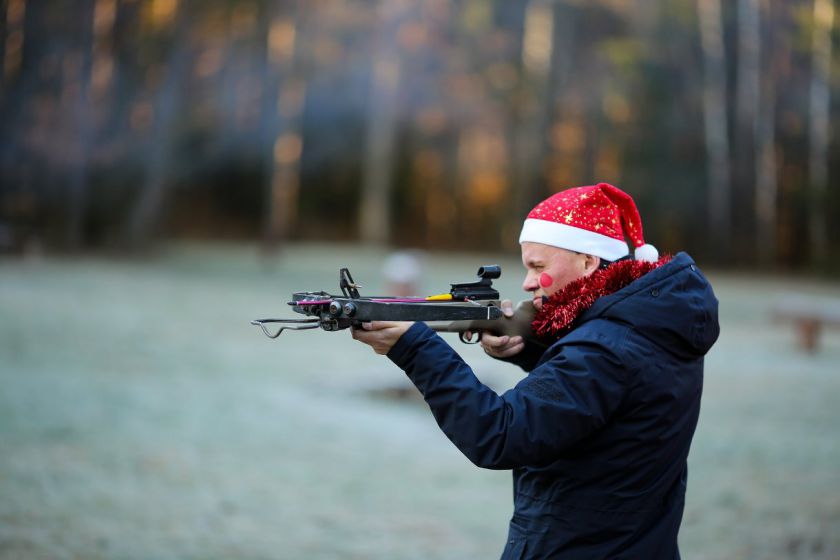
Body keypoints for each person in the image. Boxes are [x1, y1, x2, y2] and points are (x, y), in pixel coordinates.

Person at [351, 183, 720, 559]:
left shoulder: (603, 352)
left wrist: (415, 349)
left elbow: (498, 434)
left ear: (588, 262)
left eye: (538, 267)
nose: (528, 282)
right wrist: (531, 348)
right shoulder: (651, 326)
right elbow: (598, 399)